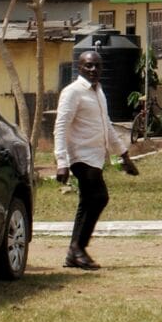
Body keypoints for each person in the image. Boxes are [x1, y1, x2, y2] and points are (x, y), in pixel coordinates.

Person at [54, 47, 139, 271]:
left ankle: (74, 251)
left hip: (96, 156)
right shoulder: (72, 92)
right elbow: (61, 127)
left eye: (97, 66)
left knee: (88, 201)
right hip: (80, 156)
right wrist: (61, 162)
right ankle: (77, 248)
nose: (93, 69)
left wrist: (124, 155)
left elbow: (107, 126)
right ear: (79, 67)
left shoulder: (98, 91)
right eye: (88, 65)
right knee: (99, 197)